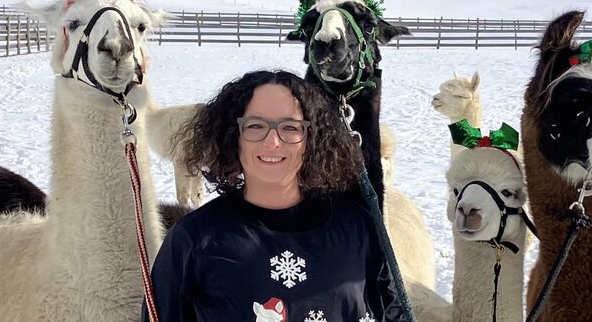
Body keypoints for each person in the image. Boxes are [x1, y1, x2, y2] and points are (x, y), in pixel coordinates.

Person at [143, 70, 408, 322]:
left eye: (290, 128)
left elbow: (392, 311)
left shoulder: (357, 227)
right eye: (256, 126)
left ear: (312, 138)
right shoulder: (194, 240)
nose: (272, 142)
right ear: (234, 136)